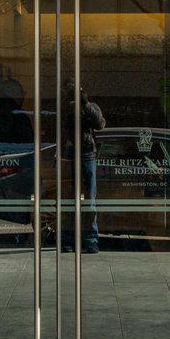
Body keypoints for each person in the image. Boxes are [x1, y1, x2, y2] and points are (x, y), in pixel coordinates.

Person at [60, 81, 105, 252]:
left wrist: (85, 105)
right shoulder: (64, 107)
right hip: (70, 156)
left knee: (89, 199)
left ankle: (89, 240)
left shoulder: (88, 106)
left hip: (86, 155)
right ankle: (69, 239)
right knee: (69, 199)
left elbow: (100, 124)